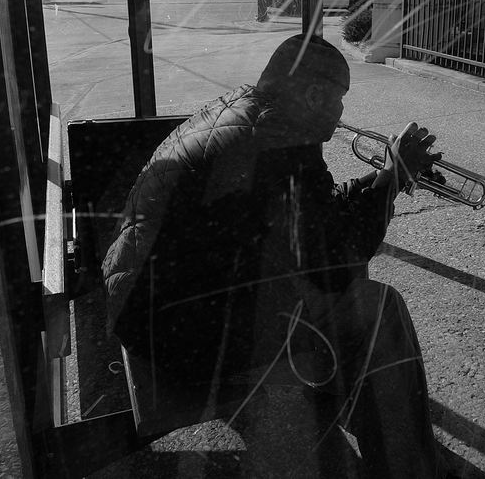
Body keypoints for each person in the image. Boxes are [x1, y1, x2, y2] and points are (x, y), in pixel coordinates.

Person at [102, 33, 447, 477]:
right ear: (312, 93)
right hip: (180, 333)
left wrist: (381, 179)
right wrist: (390, 182)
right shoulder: (278, 144)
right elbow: (335, 266)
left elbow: (310, 215)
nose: (342, 113)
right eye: (338, 100)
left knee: (342, 306)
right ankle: (411, 469)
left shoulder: (250, 114)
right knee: (381, 311)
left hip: (156, 303)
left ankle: (371, 420)